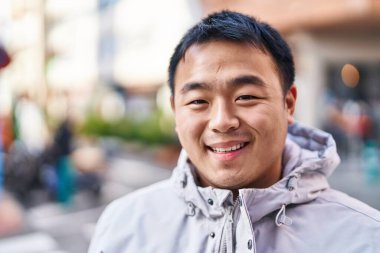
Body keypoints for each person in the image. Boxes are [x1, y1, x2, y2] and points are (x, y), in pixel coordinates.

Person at [88, 11, 380, 253]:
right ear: (176, 111)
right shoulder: (123, 227)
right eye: (198, 101)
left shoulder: (363, 237)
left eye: (246, 97)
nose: (222, 121)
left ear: (288, 104)